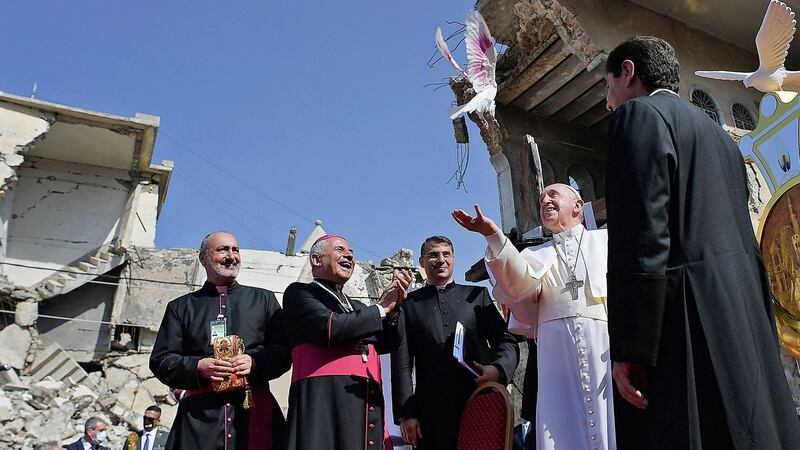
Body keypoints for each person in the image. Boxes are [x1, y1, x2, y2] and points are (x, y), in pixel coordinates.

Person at [604, 35, 800, 449]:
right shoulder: (719, 138)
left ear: (627, 71)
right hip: (741, 313)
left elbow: (641, 236)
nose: (608, 102)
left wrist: (631, 347)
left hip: (684, 322)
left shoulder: (638, 116)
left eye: (608, 88)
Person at [453, 184, 615, 450]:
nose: (545, 201)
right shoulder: (536, 255)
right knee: (561, 427)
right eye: (541, 199)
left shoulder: (606, 242)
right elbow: (516, 285)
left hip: (604, 348)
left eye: (553, 195)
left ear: (577, 206)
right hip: (555, 356)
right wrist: (493, 235)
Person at [150, 231, 291, 450]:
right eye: (222, 249)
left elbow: (284, 351)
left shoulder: (264, 300)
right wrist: (197, 367)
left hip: (253, 410)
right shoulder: (180, 307)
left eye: (235, 250)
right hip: (199, 419)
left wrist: (255, 363)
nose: (231, 256)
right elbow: (161, 360)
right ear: (203, 258)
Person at [282, 234, 413, 450]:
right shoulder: (300, 294)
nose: (349, 256)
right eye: (340, 250)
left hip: (362, 405)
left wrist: (393, 309)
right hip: (323, 406)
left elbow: (388, 342)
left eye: (351, 253)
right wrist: (380, 308)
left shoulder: (357, 307)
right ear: (316, 260)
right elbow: (329, 327)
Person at [391, 235, 518, 449]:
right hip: (430, 412)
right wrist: (406, 414)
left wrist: (497, 369)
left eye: (445, 254)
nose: (440, 259)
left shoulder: (477, 296)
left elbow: (506, 340)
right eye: (433, 255)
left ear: (453, 259)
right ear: (422, 262)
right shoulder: (409, 305)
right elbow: (402, 364)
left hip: (479, 400)